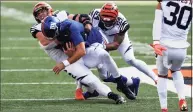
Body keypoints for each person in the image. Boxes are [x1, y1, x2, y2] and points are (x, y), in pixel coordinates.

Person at [30, 2, 139, 100]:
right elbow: (46, 42)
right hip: (67, 52)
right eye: (38, 14)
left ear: (50, 10)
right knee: (84, 75)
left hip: (86, 43)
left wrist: (87, 26)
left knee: (105, 74)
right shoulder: (37, 28)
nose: (41, 15)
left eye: (43, 11)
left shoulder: (62, 15)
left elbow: (81, 17)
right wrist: (64, 37)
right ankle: (94, 91)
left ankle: (128, 82)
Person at [88, 2, 158, 84]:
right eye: (104, 18)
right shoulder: (94, 14)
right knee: (100, 70)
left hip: (117, 37)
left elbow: (115, 45)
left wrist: (100, 47)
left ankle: (155, 78)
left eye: (110, 19)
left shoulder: (122, 22)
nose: (107, 21)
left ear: (116, 17)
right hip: (101, 34)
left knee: (130, 59)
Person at [151, 0, 191, 111]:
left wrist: (156, 42)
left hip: (164, 46)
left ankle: (164, 108)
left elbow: (157, 22)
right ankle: (182, 99)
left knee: (162, 75)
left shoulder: (163, 2)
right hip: (182, 47)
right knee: (176, 70)